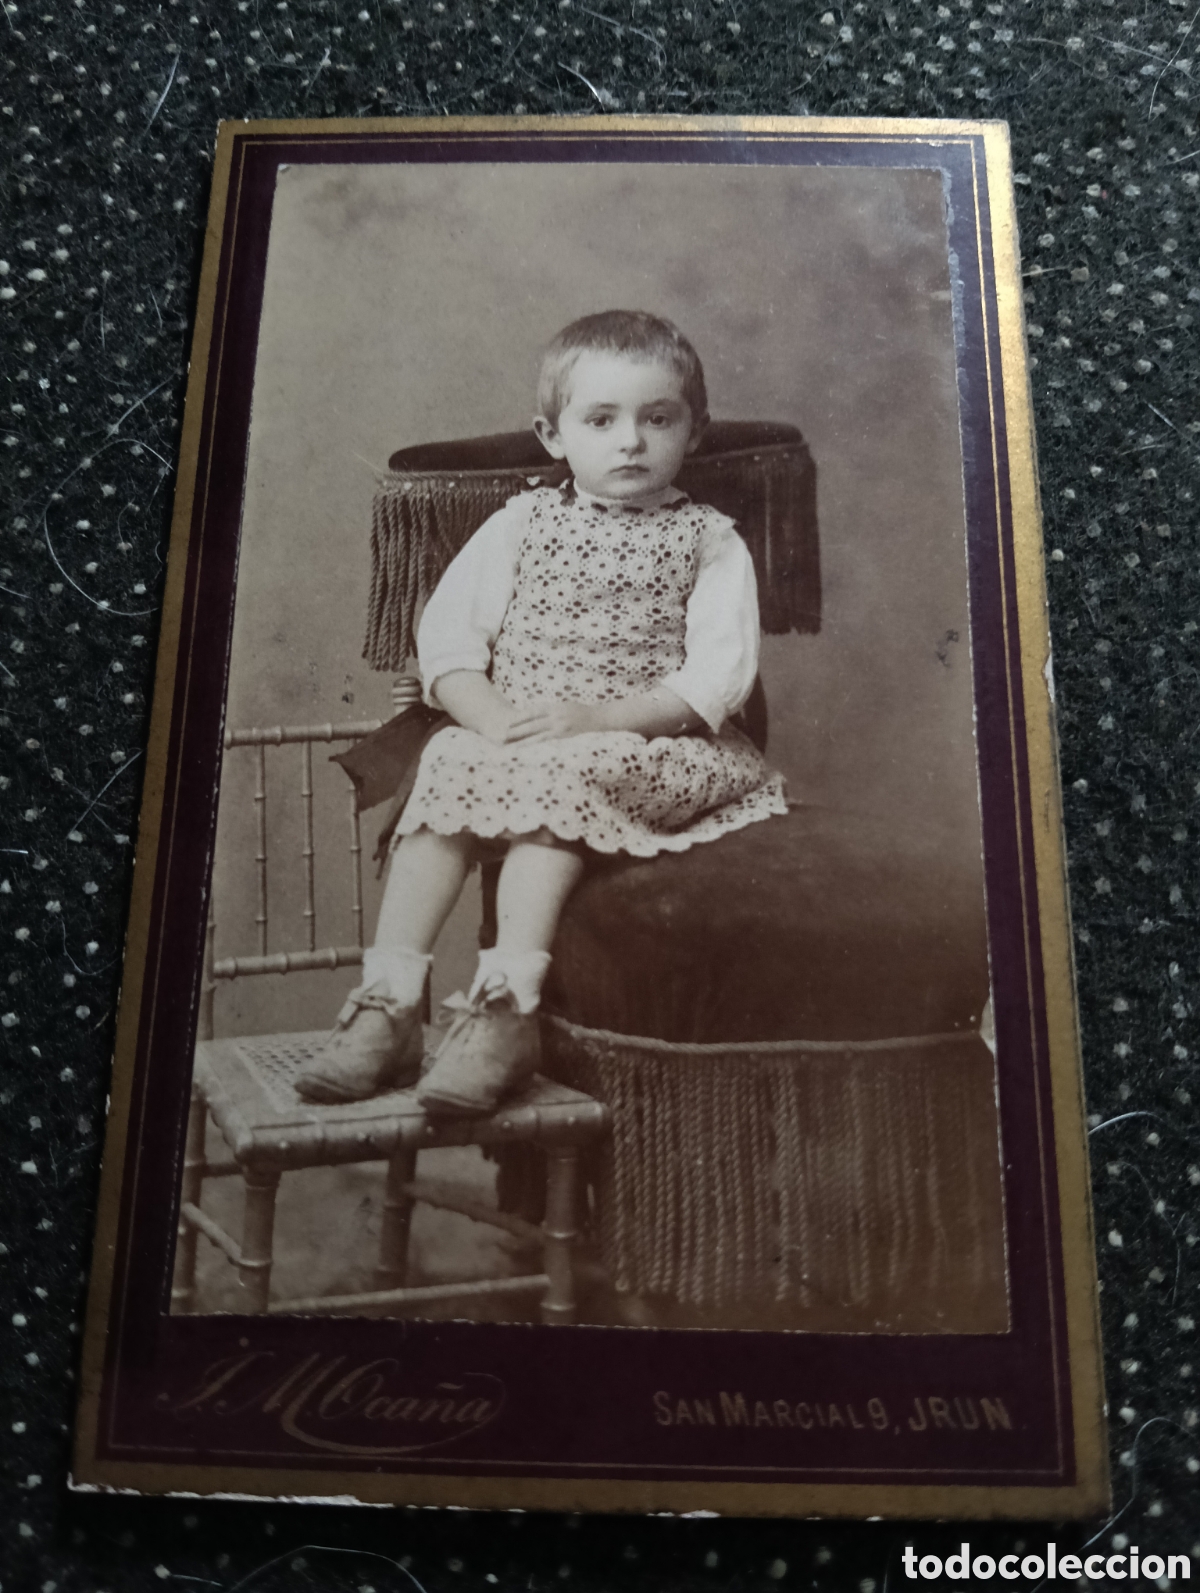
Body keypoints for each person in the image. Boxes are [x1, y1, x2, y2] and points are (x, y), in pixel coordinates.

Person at [296, 309, 788, 1114]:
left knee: (563, 771)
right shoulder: (522, 521)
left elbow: (716, 681)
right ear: (553, 435)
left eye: (657, 419)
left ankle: (504, 1013)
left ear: (693, 434)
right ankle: (388, 1008)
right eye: (602, 420)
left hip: (646, 740)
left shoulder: (708, 539)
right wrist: (489, 719)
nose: (630, 441)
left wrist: (599, 715)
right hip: (517, 731)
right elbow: (447, 643)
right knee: (449, 760)